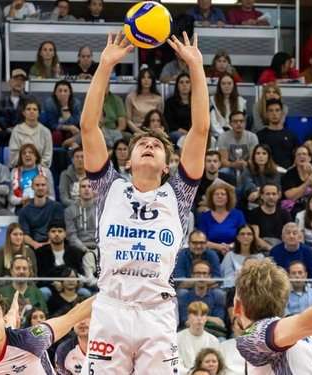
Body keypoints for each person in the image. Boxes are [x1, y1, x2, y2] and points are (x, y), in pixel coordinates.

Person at [80, 30, 210, 374]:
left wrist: (195, 67)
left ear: (167, 166)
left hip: (156, 312)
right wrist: (105, 65)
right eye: (142, 144)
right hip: (112, 309)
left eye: (157, 145)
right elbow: (88, 127)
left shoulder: (178, 193)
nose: (149, 145)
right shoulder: (110, 188)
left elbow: (200, 130)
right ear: (128, 161)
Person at [0, 289, 95, 374]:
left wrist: (106, 294)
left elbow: (71, 317)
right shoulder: (3, 325)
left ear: (4, 319)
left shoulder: (31, 339)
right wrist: (12, 312)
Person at [198, 183, 246, 261]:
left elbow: (243, 235)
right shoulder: (204, 217)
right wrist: (219, 247)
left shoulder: (238, 214)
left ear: (228, 198)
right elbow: (202, 240)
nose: (219, 196)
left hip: (235, 249)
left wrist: (230, 247)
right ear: (211, 198)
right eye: (216, 194)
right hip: (211, 251)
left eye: (223, 194)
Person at [19, 175, 64, 249]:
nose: (40, 188)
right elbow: (25, 235)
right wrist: (35, 244)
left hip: (53, 245)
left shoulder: (57, 207)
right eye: (37, 185)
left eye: (43, 185)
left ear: (47, 187)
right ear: (32, 187)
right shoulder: (24, 211)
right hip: (33, 247)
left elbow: (58, 229)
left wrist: (48, 244)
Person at [0, 256, 48, 324]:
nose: (21, 271)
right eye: (18, 268)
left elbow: (44, 319)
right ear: (11, 271)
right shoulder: (0, 293)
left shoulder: (37, 293)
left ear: (29, 272)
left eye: (24, 268)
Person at [178, 260, 226, 330]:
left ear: (209, 276)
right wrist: (210, 319)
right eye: (198, 273)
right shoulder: (184, 297)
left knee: (222, 340)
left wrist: (197, 319)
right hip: (191, 332)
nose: (201, 276)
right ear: (192, 276)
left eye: (204, 273)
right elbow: (185, 321)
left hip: (213, 333)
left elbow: (219, 322)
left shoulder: (218, 296)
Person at [8, 144, 55, 214]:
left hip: (42, 205)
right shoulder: (14, 172)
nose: (27, 155)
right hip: (21, 206)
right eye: (24, 153)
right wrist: (21, 201)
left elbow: (52, 196)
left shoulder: (46, 171)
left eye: (31, 152)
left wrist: (40, 202)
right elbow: (10, 197)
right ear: (21, 157)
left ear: (36, 156)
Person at [35, 219, 84, 285]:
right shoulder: (40, 253)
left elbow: (77, 273)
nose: (57, 234)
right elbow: (41, 276)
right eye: (53, 231)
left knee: (85, 293)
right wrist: (54, 283)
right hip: (49, 286)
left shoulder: (74, 252)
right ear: (48, 234)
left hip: (71, 287)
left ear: (65, 234)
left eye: (60, 231)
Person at [281, 145, 312, 218]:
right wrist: (306, 184)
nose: (301, 156)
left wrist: (311, 174)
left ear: (310, 158)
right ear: (295, 158)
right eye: (298, 154)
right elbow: (290, 196)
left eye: (304, 154)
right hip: (296, 205)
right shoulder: (290, 174)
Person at [217, 110, 258, 186]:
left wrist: (246, 163)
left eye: (241, 121)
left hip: (247, 167)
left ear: (245, 123)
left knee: (253, 171)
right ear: (230, 124)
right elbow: (222, 161)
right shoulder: (223, 137)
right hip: (230, 167)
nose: (239, 124)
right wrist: (233, 164)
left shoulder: (252, 137)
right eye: (235, 121)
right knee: (223, 171)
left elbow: (254, 159)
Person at [178, 301, 220, 375]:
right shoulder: (177, 338)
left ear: (206, 318)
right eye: (195, 315)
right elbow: (176, 365)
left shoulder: (213, 340)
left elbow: (217, 366)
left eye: (202, 315)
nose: (199, 318)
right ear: (189, 317)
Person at [8, 99, 53, 168]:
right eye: (28, 109)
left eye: (35, 109)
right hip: (20, 168)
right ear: (23, 112)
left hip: (40, 169)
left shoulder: (45, 132)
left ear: (39, 113)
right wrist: (26, 166)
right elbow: (13, 156)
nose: (32, 111)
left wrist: (35, 167)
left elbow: (47, 156)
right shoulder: (16, 131)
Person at [257, 98, 299, 169]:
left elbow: (298, 153)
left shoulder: (291, 135)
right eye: (271, 111)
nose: (274, 113)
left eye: (277, 110)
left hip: (288, 173)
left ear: (282, 113)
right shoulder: (260, 135)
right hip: (267, 173)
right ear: (266, 114)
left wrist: (293, 167)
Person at [249, 182, 292, 251]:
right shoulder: (254, 214)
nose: (271, 197)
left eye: (274, 194)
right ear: (261, 196)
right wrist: (273, 250)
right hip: (261, 250)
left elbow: (288, 236)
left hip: (281, 249)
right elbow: (255, 238)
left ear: (279, 195)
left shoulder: (285, 214)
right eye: (268, 194)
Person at [239, 143, 281, 212]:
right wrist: (264, 191)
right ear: (254, 156)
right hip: (251, 202)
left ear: (268, 156)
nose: (261, 156)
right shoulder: (247, 170)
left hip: (270, 201)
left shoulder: (274, 172)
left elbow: (277, 190)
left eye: (264, 153)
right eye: (258, 153)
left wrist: (259, 191)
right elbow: (250, 189)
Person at [220, 224, 264, 288]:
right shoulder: (230, 255)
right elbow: (228, 278)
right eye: (242, 234)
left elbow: (262, 277)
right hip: (234, 289)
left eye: (249, 234)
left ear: (253, 237)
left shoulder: (260, 257)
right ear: (237, 237)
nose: (246, 236)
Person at [0, 69, 34, 146]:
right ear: (9, 81)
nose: (19, 82)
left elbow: (33, 119)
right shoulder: (1, 99)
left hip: (24, 134)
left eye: (22, 80)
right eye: (16, 79)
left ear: (24, 84)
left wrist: (14, 129)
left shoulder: (31, 99)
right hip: (4, 134)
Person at [44, 80, 82, 147]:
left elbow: (74, 123)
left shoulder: (76, 103)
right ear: (55, 92)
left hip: (71, 129)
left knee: (72, 134)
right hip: (54, 129)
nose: (63, 94)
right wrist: (69, 127)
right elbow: (52, 124)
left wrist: (65, 106)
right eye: (60, 91)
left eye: (65, 91)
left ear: (70, 92)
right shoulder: (49, 103)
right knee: (57, 135)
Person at [65, 177, 96, 253]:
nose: (86, 189)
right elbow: (71, 236)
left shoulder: (102, 209)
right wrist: (85, 249)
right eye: (83, 186)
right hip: (78, 249)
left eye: (90, 186)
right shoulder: (69, 211)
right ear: (79, 191)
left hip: (99, 248)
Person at [125, 68, 163, 132]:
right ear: (140, 80)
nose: (146, 80)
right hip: (136, 129)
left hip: (153, 129)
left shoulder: (158, 99)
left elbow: (159, 119)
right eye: (143, 77)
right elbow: (128, 120)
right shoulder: (130, 97)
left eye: (149, 78)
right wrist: (138, 131)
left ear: (152, 80)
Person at [164, 72, 192, 146]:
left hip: (193, 133)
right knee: (177, 136)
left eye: (187, 82)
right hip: (176, 133)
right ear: (177, 85)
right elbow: (169, 123)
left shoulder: (196, 102)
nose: (184, 85)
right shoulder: (170, 102)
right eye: (181, 82)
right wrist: (184, 132)